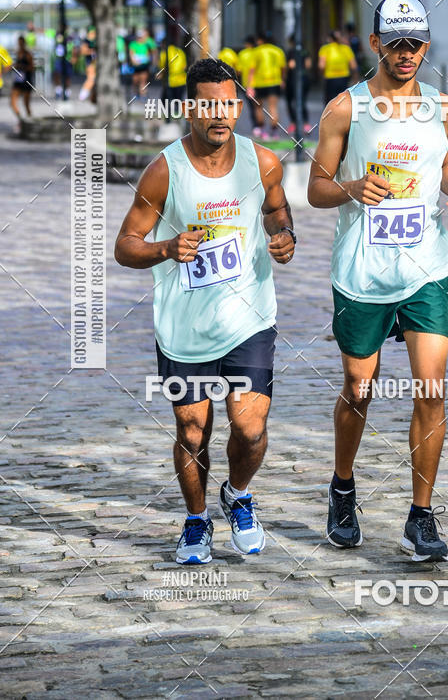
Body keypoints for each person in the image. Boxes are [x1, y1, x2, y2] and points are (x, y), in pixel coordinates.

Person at [308, 0, 448, 563]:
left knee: (431, 388)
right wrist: (352, 189)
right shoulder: (344, 110)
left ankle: (421, 517)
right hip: (363, 271)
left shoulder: (444, 108)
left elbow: (447, 160)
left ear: (426, 45)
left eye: (416, 43)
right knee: (360, 388)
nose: (406, 53)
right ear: (375, 42)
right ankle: (343, 488)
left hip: (428, 266)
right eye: (396, 43)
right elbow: (316, 189)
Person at [114, 59, 296, 564]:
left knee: (251, 428)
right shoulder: (163, 171)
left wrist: (284, 236)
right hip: (185, 329)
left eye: (228, 103)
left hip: (248, 318)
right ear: (189, 108)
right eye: (208, 104)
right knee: (193, 430)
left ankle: (238, 494)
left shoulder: (261, 162)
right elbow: (125, 246)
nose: (220, 115)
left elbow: (276, 209)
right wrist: (166, 250)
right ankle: (196, 522)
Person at [249, 32, 286, 140]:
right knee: (273, 108)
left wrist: (250, 85)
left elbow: (252, 70)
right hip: (274, 82)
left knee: (258, 108)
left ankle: (262, 131)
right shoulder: (278, 51)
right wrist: (282, 80)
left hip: (260, 83)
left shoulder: (256, 51)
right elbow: (283, 68)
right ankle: (274, 132)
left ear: (261, 40)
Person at [318, 30, 358, 105]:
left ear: (330, 38)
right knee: (343, 101)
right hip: (343, 78)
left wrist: (323, 75)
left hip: (330, 78)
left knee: (330, 102)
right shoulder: (346, 48)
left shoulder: (325, 49)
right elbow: (354, 66)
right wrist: (355, 79)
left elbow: (321, 66)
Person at [284, 36, 311, 135]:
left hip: (292, 80)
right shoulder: (305, 51)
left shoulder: (291, 52)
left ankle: (293, 123)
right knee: (302, 101)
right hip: (304, 79)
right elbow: (308, 65)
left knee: (290, 102)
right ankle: (306, 124)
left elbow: (291, 65)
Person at [237, 36, 261, 136]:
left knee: (252, 107)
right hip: (261, 83)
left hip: (247, 84)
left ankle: (256, 127)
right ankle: (266, 128)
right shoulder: (258, 52)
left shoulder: (243, 54)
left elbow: (239, 70)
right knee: (260, 106)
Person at [129, 27, 157, 101]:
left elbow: (153, 52)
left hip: (144, 65)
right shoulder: (133, 44)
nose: (140, 38)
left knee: (143, 80)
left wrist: (154, 62)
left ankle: (143, 94)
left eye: (141, 37)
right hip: (136, 66)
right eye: (139, 37)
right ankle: (136, 93)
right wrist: (134, 61)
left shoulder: (147, 44)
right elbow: (131, 53)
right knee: (135, 80)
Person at [10, 36, 34, 120]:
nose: (20, 45)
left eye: (21, 43)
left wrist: (21, 67)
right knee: (12, 102)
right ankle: (20, 119)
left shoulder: (28, 54)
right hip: (18, 81)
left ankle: (30, 120)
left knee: (26, 104)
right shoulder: (18, 53)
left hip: (26, 81)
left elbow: (31, 68)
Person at [52, 31, 74, 100]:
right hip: (59, 59)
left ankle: (67, 92)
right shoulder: (57, 34)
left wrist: (72, 57)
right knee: (57, 74)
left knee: (68, 76)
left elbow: (72, 47)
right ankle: (58, 90)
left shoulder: (68, 36)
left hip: (67, 59)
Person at [79, 27, 97, 103]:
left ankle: (92, 97)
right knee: (91, 78)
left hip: (97, 63)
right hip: (90, 63)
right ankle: (83, 95)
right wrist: (92, 51)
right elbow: (83, 51)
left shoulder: (97, 40)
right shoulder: (86, 41)